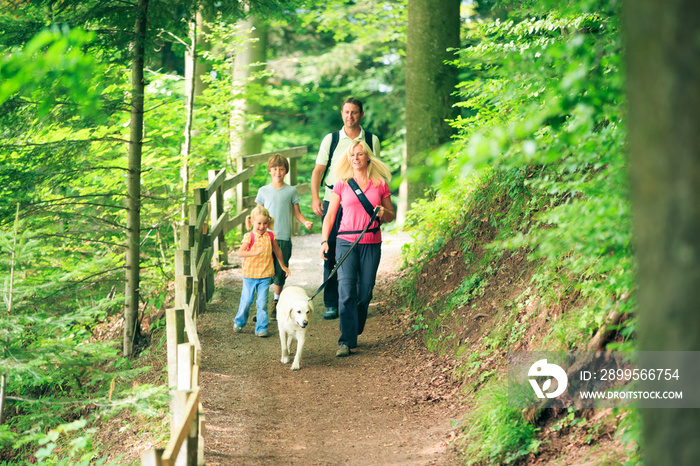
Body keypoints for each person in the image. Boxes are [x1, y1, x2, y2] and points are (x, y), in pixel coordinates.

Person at [320, 139, 394, 357]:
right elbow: (330, 215)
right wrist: (325, 241)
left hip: (371, 243)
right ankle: (345, 340)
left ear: (367, 157)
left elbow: (390, 216)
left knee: (365, 292)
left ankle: (354, 326)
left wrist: (383, 212)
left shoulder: (380, 184)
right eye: (352, 155)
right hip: (345, 243)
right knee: (345, 291)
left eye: (360, 154)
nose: (355, 158)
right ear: (348, 158)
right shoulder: (342, 183)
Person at [311, 97, 381, 320]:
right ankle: (332, 303)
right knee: (330, 249)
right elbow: (317, 171)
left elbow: (377, 170)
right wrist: (315, 199)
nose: (350, 116)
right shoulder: (331, 140)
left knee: (361, 250)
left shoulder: (371, 140)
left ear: (361, 115)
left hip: (362, 203)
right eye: (346, 112)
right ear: (341, 114)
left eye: (354, 112)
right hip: (334, 198)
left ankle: (359, 301)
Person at [256, 154, 313, 319]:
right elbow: (257, 214)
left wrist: (305, 222)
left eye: (281, 169)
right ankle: (261, 308)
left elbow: (297, 213)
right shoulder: (263, 191)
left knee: (280, 271)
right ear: (269, 170)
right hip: (265, 237)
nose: (278, 172)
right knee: (263, 271)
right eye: (274, 169)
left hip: (283, 237)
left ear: (286, 171)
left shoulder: (291, 191)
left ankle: (276, 302)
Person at [234, 205, 290, 337]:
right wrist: (254, 252)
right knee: (247, 300)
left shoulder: (270, 236)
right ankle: (240, 321)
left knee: (262, 302)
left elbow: (277, 251)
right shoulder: (249, 236)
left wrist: (283, 266)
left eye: (265, 223)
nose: (262, 226)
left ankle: (261, 328)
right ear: (252, 221)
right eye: (259, 223)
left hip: (265, 276)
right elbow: (240, 252)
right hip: (249, 275)